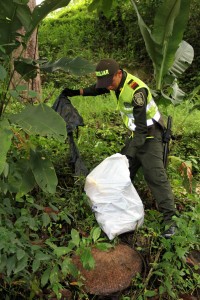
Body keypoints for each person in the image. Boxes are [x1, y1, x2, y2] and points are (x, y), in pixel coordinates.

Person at [62, 58, 177, 238]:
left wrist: (128, 155)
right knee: (122, 175)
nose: (107, 87)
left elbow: (142, 130)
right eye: (104, 83)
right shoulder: (113, 83)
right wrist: (76, 92)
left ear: (118, 73)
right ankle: (118, 212)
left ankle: (171, 220)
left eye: (109, 83)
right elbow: (97, 88)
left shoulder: (136, 91)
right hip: (136, 135)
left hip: (150, 135)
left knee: (155, 176)